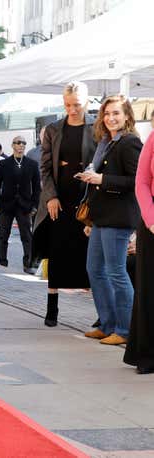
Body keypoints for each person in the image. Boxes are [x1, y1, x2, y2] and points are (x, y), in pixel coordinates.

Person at [32, 82, 96, 327]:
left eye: (77, 105)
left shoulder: (97, 128)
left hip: (87, 199)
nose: (72, 109)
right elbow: (45, 168)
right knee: (57, 254)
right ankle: (52, 309)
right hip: (59, 199)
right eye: (68, 105)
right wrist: (50, 196)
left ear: (86, 103)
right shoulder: (53, 130)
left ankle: (100, 314)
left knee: (89, 257)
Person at [80, 95, 142, 345]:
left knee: (116, 272)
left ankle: (125, 330)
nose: (110, 118)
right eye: (106, 114)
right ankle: (107, 324)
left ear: (127, 115)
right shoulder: (107, 142)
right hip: (102, 216)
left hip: (119, 217)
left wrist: (102, 179)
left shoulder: (129, 142)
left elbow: (138, 181)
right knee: (94, 270)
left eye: (116, 113)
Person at [124, 124, 154, 373]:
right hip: (152, 223)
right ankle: (148, 354)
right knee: (149, 289)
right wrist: (151, 218)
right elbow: (142, 182)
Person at [0, 135, 41, 273]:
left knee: (26, 236)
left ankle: (28, 263)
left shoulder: (32, 164)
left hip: (24, 205)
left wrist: (34, 205)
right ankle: (2, 263)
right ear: (13, 145)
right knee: (3, 235)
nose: (21, 145)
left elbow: (37, 187)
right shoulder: (4, 164)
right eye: (18, 143)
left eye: (24, 143)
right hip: (6, 205)